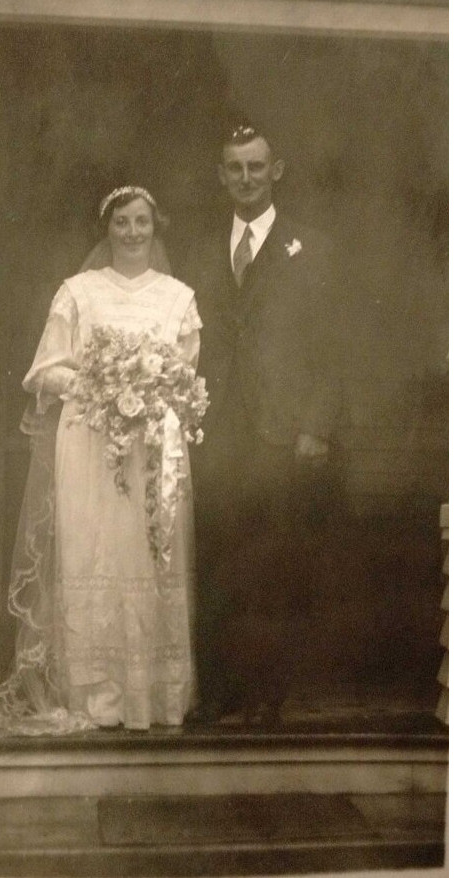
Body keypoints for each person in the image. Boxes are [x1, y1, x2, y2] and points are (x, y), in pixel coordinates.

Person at [0, 186, 202, 734]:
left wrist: (147, 383)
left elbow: (185, 376)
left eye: (141, 223)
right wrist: (103, 381)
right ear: (106, 228)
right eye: (121, 223)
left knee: (147, 557)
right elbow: (44, 371)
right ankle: (97, 697)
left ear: (155, 228)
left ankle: (154, 698)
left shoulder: (179, 297)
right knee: (91, 553)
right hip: (88, 439)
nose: (132, 233)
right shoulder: (77, 293)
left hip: (153, 446)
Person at [181, 124, 342, 727]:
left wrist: (317, 425)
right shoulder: (202, 251)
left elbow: (332, 346)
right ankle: (221, 692)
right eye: (234, 168)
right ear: (222, 175)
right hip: (216, 429)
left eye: (256, 166)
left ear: (277, 171)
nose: (245, 177)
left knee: (273, 563)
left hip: (282, 430)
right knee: (218, 558)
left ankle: (268, 696)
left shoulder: (312, 248)